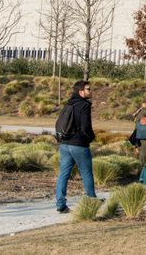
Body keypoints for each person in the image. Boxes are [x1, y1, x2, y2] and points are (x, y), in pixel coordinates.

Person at [55, 80, 97, 213]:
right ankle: (92, 201)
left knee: (63, 174)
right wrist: (91, 137)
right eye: (88, 89)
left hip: (64, 144)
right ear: (81, 92)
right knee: (86, 173)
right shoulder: (84, 105)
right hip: (79, 145)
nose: (91, 91)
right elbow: (85, 127)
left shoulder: (69, 104)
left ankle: (60, 204)